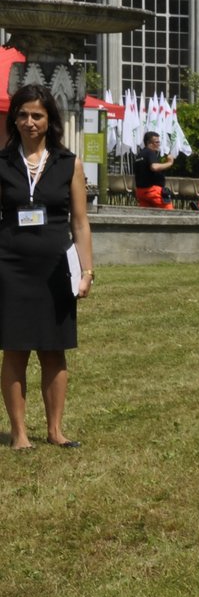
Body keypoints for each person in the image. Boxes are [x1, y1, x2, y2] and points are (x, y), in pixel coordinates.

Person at [0, 84, 95, 450]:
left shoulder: (69, 163)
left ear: (49, 120)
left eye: (37, 115)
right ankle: (19, 434)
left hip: (56, 267)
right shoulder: (3, 163)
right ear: (15, 120)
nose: (29, 122)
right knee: (15, 348)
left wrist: (86, 271)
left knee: (54, 349)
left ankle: (55, 430)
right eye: (22, 115)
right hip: (10, 265)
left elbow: (81, 223)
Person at [132, 130, 174, 209]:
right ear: (149, 143)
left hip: (140, 191)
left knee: (146, 216)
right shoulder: (150, 152)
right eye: (157, 142)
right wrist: (169, 163)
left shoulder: (140, 155)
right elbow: (154, 167)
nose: (159, 144)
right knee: (169, 213)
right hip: (152, 191)